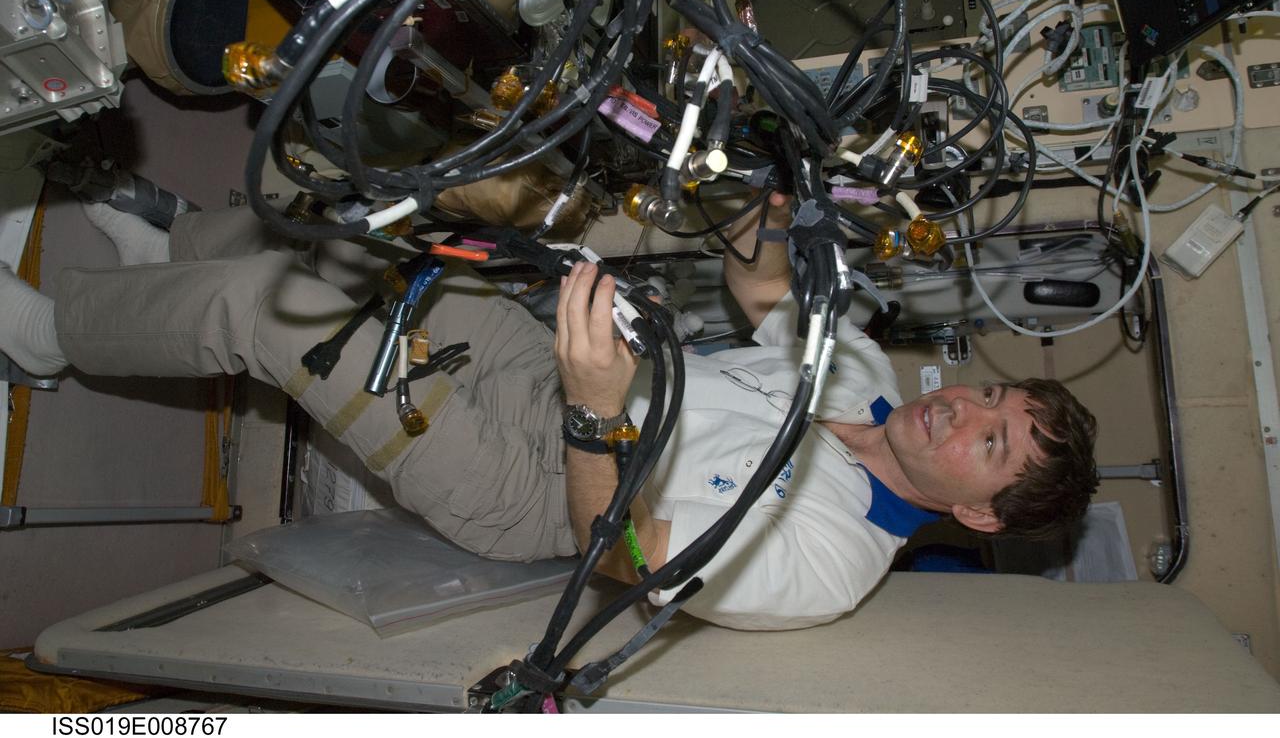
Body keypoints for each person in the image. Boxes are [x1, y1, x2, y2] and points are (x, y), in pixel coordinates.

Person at [0, 189, 1098, 630]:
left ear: (982, 517)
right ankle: (166, 260)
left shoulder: (831, 565)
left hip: (531, 483)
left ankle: (49, 337)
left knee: (275, 319)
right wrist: (766, 212)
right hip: (559, 370)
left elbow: (617, 555)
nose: (959, 409)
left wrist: (593, 415)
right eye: (988, 394)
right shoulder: (855, 366)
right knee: (381, 234)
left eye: (989, 443)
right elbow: (763, 290)